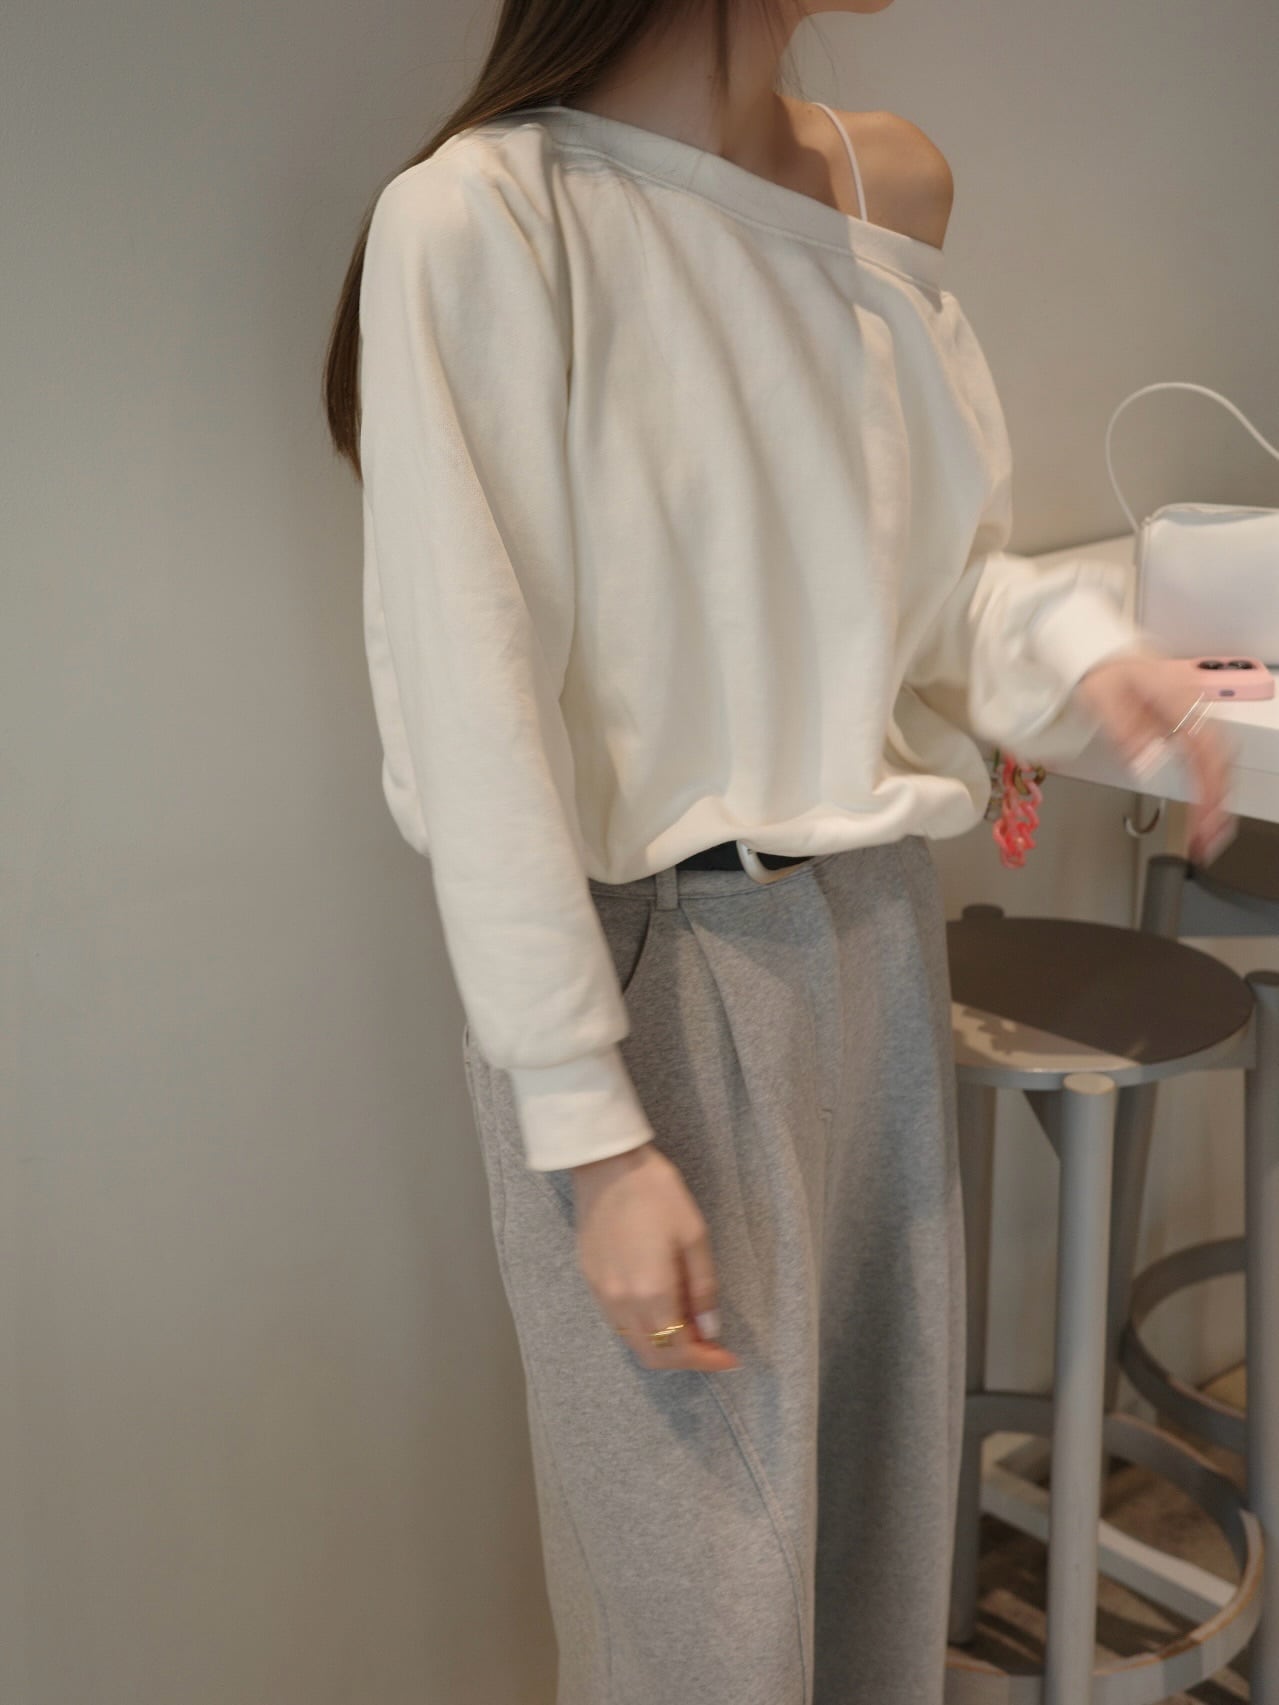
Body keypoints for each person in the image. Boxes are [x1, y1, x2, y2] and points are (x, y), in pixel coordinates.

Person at [323, 2, 1236, 1698]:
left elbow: (926, 590)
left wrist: (1076, 658)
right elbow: (475, 717)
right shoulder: (486, 217)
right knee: (704, 1632)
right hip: (648, 977)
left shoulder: (885, 187)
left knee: (879, 1562)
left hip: (878, 935)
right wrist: (590, 1131)